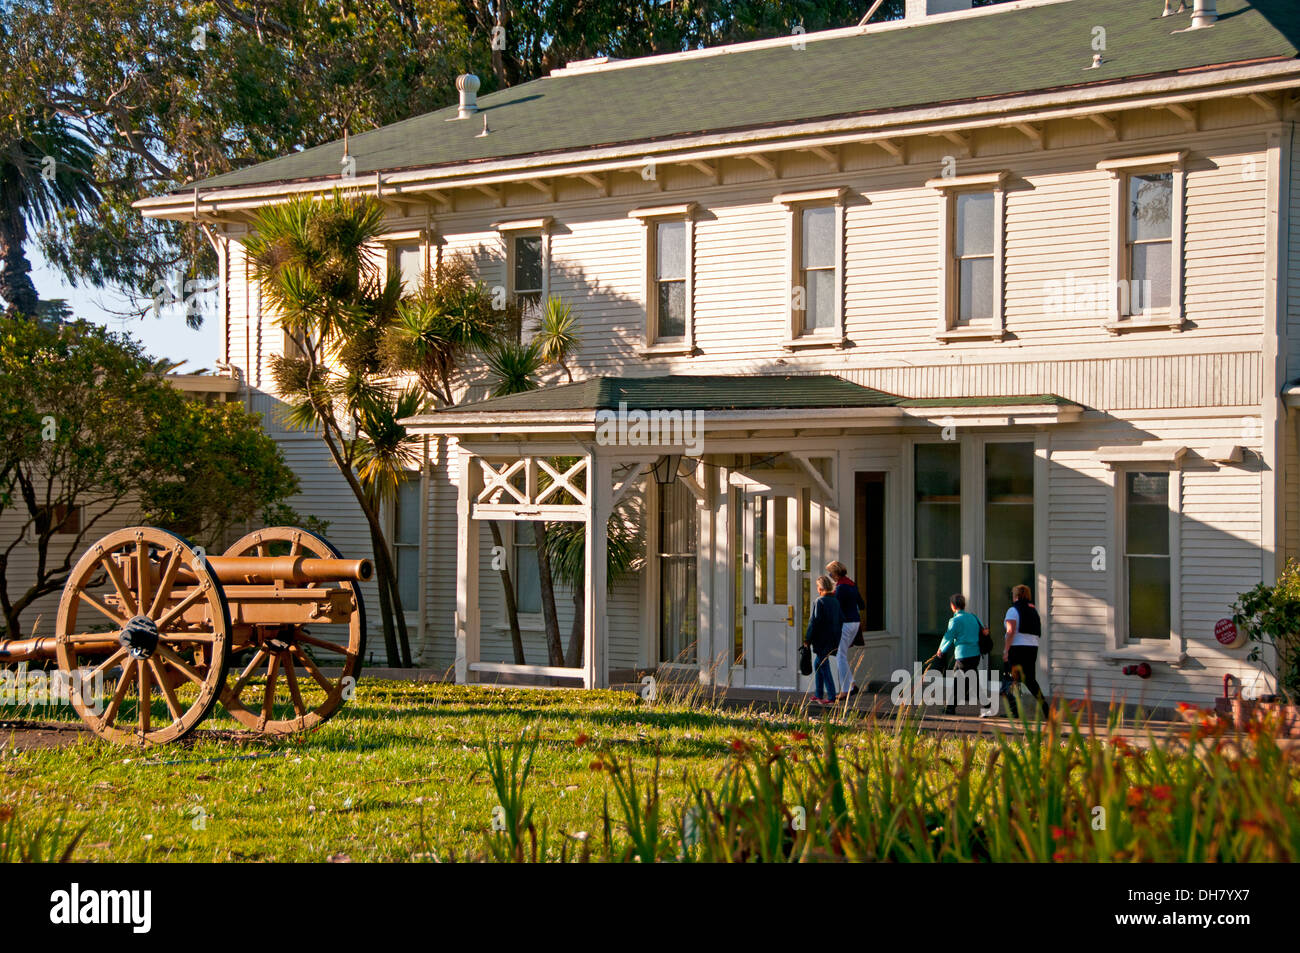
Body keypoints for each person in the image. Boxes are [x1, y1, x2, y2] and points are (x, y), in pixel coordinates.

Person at [929, 593, 981, 715]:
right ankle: (952, 707)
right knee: (969, 680)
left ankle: (951, 708)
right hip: (975, 654)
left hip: (963, 655)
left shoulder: (955, 620)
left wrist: (941, 650)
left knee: (960, 680)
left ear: (953, 606)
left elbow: (948, 637)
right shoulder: (973, 617)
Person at [1003, 584, 1049, 718]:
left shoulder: (1013, 610)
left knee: (1011, 679)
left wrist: (1006, 650)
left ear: (1016, 595)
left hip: (1017, 648)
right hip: (1032, 647)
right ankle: (1045, 707)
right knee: (1030, 680)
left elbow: (1010, 631)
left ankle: (1014, 711)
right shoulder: (1033, 610)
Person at [826, 561, 866, 701]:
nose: (830, 575)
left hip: (846, 623)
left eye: (830, 572)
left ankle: (844, 690)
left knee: (840, 656)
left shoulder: (841, 587)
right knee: (842, 655)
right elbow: (861, 604)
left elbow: (835, 607)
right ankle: (852, 685)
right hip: (855, 622)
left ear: (836, 574)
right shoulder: (851, 584)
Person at [804, 575, 843, 704]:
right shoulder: (836, 601)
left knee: (823, 666)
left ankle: (831, 696)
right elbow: (841, 619)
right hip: (833, 639)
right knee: (818, 665)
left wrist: (807, 639)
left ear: (820, 588)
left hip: (821, 639)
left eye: (817, 587)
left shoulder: (819, 601)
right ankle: (819, 694)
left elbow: (813, 623)